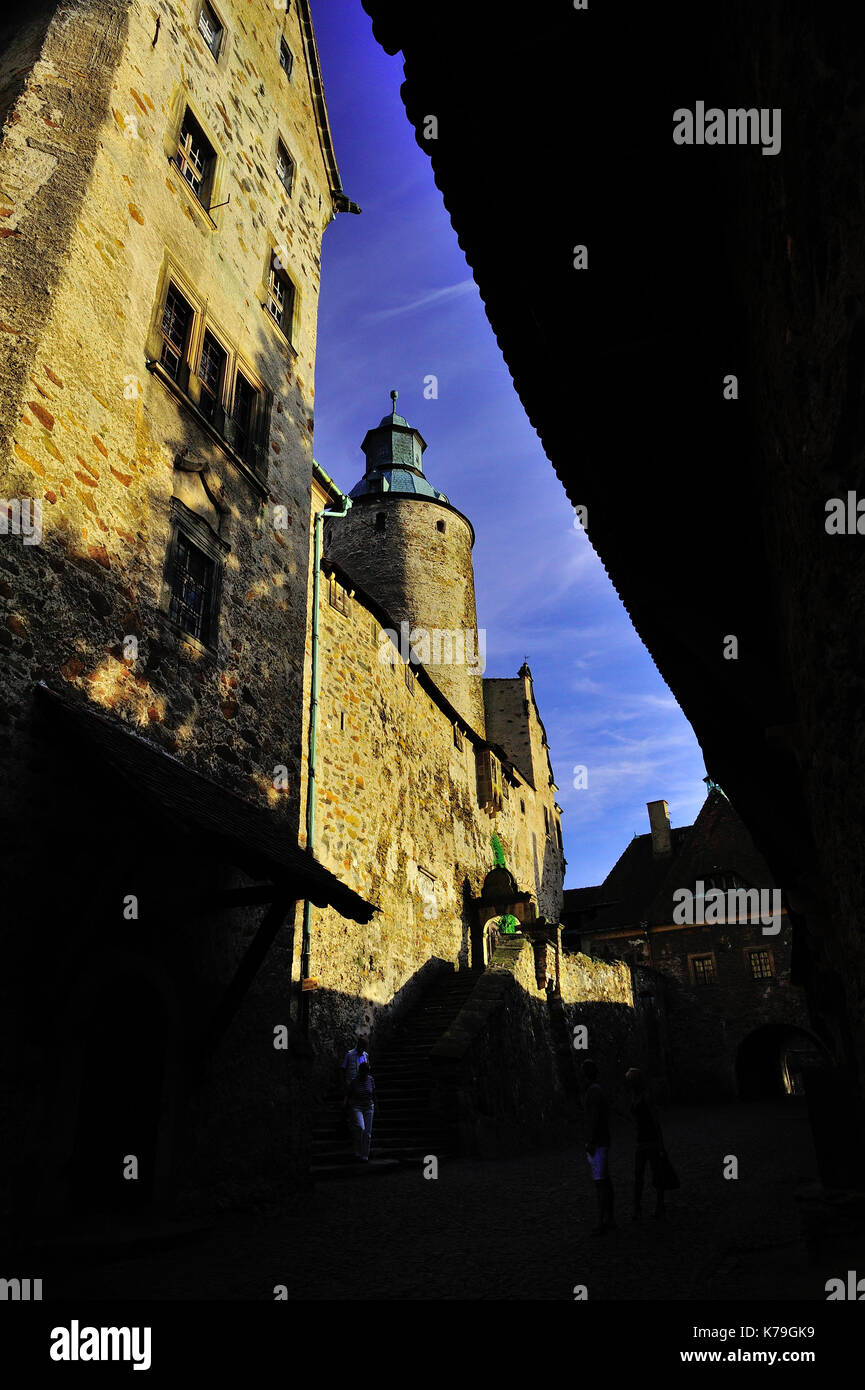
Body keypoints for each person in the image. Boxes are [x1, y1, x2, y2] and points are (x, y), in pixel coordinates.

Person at [625, 1066, 666, 1220]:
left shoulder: (646, 1097)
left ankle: (659, 1205)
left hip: (651, 1140)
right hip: (641, 1140)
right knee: (639, 1175)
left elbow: (655, 1121)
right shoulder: (634, 1097)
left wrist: (660, 1143)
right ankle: (638, 1207)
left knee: (656, 1174)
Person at [581, 1058, 615, 1234]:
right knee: (605, 1181)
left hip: (598, 1142)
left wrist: (591, 1141)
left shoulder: (593, 1092)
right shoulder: (597, 1091)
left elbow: (593, 1118)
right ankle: (609, 1218)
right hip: (602, 1140)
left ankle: (602, 1221)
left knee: (600, 1183)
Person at [346, 1061, 376, 1161]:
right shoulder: (354, 1081)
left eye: (367, 1072)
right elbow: (349, 1094)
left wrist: (377, 1105)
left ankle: (365, 1155)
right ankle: (357, 1149)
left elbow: (374, 1094)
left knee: (367, 1133)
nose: (365, 1074)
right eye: (363, 1072)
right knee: (360, 1127)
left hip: (369, 1107)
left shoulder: (371, 1080)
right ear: (360, 1071)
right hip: (357, 1107)